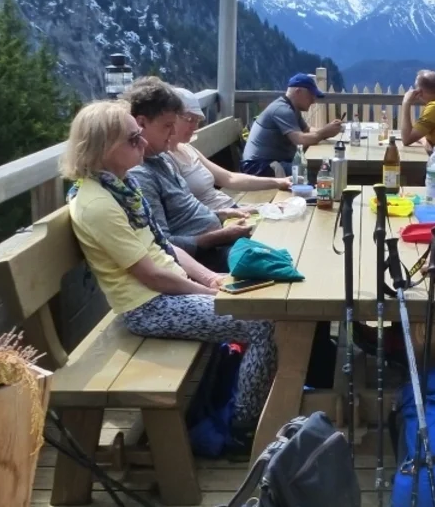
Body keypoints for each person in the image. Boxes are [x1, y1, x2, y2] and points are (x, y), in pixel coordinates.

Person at [62, 99, 275, 437]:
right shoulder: (97, 204)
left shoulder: (121, 187)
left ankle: (237, 403)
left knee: (260, 302)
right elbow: (150, 275)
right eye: (132, 139)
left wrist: (209, 276)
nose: (143, 143)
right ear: (102, 148)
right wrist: (210, 292)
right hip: (147, 307)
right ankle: (242, 425)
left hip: (166, 292)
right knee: (262, 324)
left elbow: (164, 246)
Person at [123, 78, 251, 273]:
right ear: (141, 123)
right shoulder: (140, 174)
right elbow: (164, 245)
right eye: (167, 125)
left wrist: (221, 214)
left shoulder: (161, 158)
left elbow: (184, 209)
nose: (173, 131)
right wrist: (220, 236)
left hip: (220, 243)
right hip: (205, 260)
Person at [168, 87, 290, 211]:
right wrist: (256, 209)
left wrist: (279, 182)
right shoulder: (165, 160)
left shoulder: (187, 149)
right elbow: (186, 214)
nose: (195, 126)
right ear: (170, 118)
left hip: (230, 208)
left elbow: (229, 178)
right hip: (221, 219)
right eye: (190, 119)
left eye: (198, 120)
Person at [241, 73, 343, 176]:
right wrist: (324, 132)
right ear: (298, 92)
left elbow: (307, 130)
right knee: (317, 176)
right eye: (311, 95)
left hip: (269, 163)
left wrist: (329, 129)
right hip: (258, 166)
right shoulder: (282, 110)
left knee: (320, 173)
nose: (313, 100)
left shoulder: (292, 109)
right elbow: (300, 141)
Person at [399, 69, 435, 155]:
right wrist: (424, 140)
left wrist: (406, 103)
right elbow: (417, 134)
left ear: (419, 91)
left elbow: (406, 139)